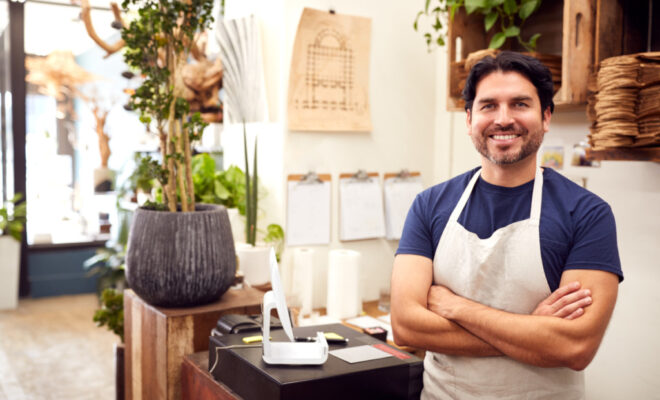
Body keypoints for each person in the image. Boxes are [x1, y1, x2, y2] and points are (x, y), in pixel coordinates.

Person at [390, 51, 623, 400]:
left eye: (519, 104)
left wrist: (457, 308)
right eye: (488, 106)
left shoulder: (587, 214)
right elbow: (405, 328)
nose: (503, 119)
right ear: (468, 119)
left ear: (545, 117)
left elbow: (574, 347)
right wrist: (533, 330)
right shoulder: (430, 205)